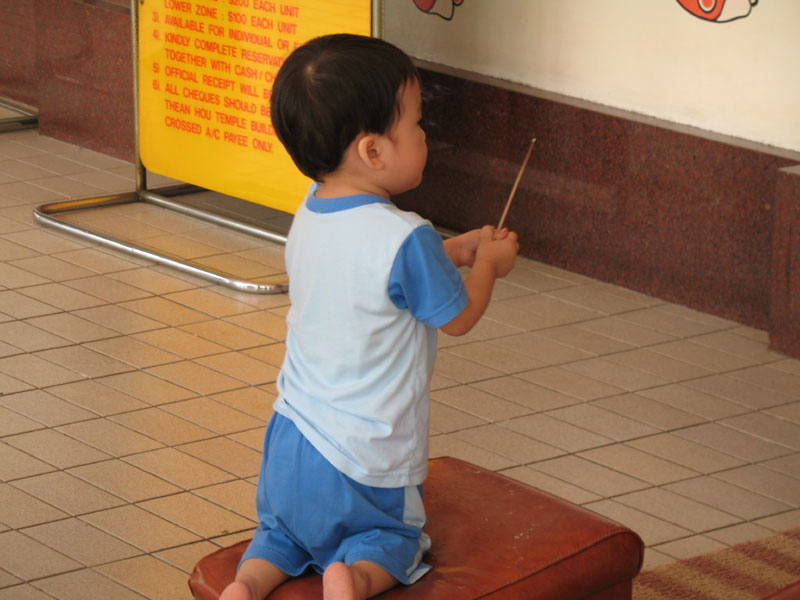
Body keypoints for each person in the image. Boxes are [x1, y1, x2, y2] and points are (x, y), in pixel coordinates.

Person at [220, 33, 519, 600]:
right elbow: (457, 317)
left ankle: (248, 587)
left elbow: (372, 280)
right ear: (374, 151)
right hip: (365, 457)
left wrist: (455, 250)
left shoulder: (311, 209)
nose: (425, 134)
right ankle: (352, 580)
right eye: (416, 123)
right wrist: (491, 266)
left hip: (291, 440)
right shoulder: (406, 236)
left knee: (280, 538)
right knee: (391, 537)